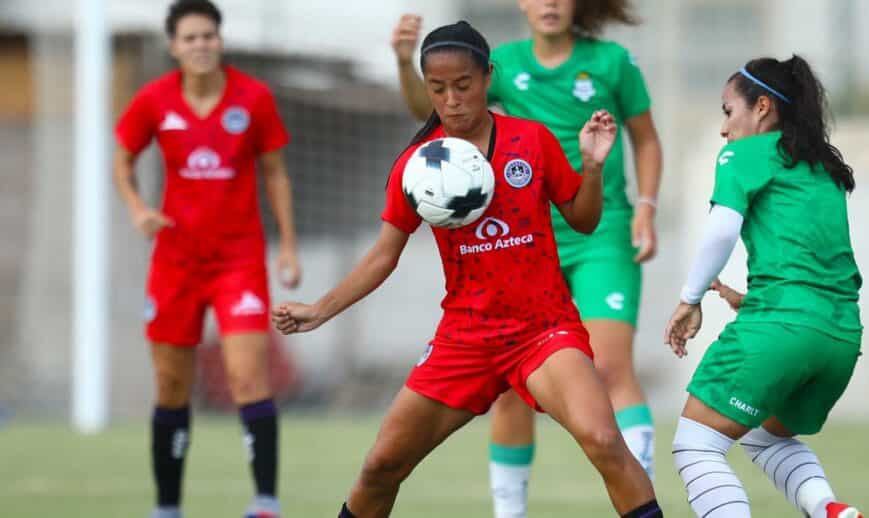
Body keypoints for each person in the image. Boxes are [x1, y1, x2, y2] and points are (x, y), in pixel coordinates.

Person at [273, 21, 661, 518]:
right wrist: (318, 309)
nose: (452, 100)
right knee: (380, 466)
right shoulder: (416, 166)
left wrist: (591, 165)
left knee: (606, 440)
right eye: (438, 89)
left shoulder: (531, 140)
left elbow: (583, 222)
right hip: (466, 337)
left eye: (463, 85)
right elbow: (382, 255)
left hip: (543, 332)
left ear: (487, 79)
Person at [391, 3, 663, 515]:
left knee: (606, 364)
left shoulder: (612, 61)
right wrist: (406, 61)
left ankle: (640, 487)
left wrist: (646, 208)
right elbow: (427, 111)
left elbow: (646, 140)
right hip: (523, 235)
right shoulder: (501, 62)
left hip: (599, 228)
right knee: (513, 381)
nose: (550, 3)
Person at [113, 1, 300, 517]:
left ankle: (265, 502)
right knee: (172, 386)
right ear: (174, 47)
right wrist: (137, 209)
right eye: (190, 38)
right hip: (174, 264)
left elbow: (276, 173)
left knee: (248, 380)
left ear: (220, 41)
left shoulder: (253, 98)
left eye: (208, 36)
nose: (200, 45)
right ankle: (167, 506)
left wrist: (286, 244)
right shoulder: (153, 100)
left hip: (238, 262)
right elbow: (123, 158)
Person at [663, 55, 864, 518]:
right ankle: (829, 509)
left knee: (697, 444)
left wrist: (689, 300)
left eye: (727, 111)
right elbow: (816, 272)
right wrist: (752, 299)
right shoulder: (821, 170)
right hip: (840, 338)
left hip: (781, 327)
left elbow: (719, 231)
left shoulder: (746, 153)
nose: (723, 128)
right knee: (763, 434)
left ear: (761, 108)